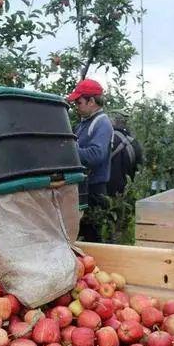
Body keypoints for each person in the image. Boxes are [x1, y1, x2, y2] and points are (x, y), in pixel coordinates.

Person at [67, 78, 113, 242]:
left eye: (79, 102)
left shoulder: (102, 123)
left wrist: (68, 151)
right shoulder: (83, 124)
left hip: (94, 191)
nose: (76, 106)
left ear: (91, 101)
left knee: (93, 237)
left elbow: (96, 155)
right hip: (82, 188)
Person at [107, 110, 144, 196]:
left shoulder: (107, 139)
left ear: (113, 121)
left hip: (105, 192)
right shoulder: (134, 143)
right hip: (126, 194)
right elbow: (139, 168)